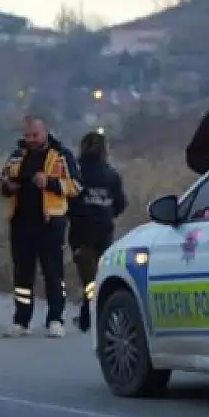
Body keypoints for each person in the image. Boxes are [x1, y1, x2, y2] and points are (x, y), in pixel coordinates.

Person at [0, 115, 81, 337]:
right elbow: (1, 180)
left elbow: (76, 186)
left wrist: (50, 183)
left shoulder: (61, 156)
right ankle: (21, 320)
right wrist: (8, 187)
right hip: (21, 221)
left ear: (45, 132)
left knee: (53, 273)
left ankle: (55, 318)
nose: (31, 139)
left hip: (50, 222)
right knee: (22, 275)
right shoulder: (17, 155)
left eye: (35, 135)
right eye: (27, 135)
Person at [69, 130, 128, 334]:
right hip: (104, 231)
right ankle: (91, 315)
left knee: (88, 279)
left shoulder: (74, 172)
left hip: (80, 232)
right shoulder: (111, 175)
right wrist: (107, 212)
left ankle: (88, 316)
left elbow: (66, 199)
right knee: (100, 276)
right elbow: (121, 204)